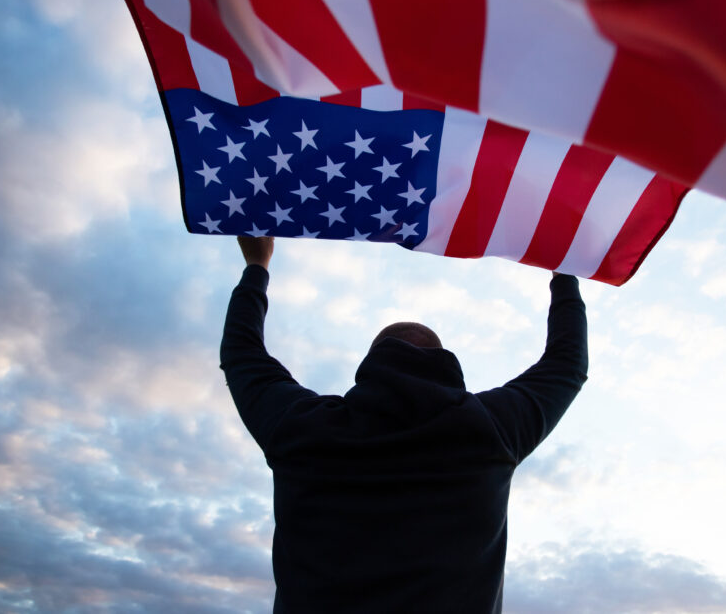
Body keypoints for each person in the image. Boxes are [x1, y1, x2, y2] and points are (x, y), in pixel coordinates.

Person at [221, 236, 588, 613]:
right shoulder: (488, 429)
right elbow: (566, 364)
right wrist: (563, 271)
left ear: (369, 366)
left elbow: (241, 354)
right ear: (445, 364)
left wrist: (257, 264)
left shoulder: (302, 428)